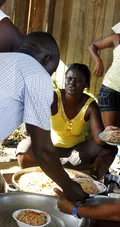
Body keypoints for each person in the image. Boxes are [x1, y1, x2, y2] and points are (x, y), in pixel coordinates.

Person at [0, 32, 87, 202]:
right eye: (52, 71)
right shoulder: (37, 74)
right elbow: (43, 150)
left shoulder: (4, 59)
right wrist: (70, 188)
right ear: (47, 59)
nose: (50, 76)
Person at [16, 64, 117, 180]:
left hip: (76, 155)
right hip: (49, 151)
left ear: (85, 84)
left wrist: (107, 133)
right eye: (69, 79)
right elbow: (32, 121)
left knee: (109, 149)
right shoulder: (54, 98)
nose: (72, 83)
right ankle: (30, 181)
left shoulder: (90, 106)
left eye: (78, 80)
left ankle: (94, 183)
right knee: (24, 148)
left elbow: (99, 140)